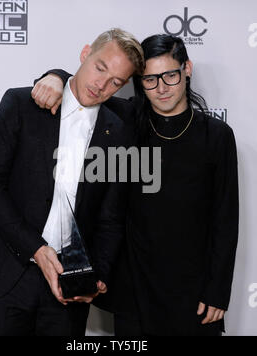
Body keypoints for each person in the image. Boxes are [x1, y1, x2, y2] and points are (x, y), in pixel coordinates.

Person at [31, 34, 239, 336]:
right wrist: (54, 77)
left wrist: (218, 291)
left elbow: (225, 219)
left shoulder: (216, 135)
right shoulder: (125, 119)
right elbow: (83, 87)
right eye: (150, 80)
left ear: (187, 69)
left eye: (170, 75)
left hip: (194, 291)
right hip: (134, 290)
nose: (162, 88)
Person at [0, 28, 145, 336]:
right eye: (100, 68)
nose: (102, 85)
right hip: (6, 271)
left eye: (116, 82)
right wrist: (37, 250)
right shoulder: (22, 102)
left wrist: (97, 275)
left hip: (68, 284)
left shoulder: (120, 129)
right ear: (85, 53)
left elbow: (110, 217)